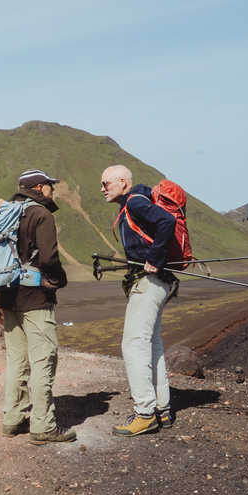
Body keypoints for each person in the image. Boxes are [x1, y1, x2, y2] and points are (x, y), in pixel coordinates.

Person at [0, 169, 74, 444]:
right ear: (39, 188)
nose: (52, 190)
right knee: (43, 359)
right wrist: (57, 280)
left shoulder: (5, 212)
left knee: (16, 360)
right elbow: (49, 257)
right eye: (50, 186)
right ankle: (43, 426)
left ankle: (12, 418)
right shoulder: (41, 214)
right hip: (35, 297)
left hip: (6, 295)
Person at [101, 164, 176, 437]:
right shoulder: (137, 201)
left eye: (106, 183)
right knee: (151, 344)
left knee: (133, 344)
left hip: (149, 283)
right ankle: (162, 409)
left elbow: (167, 222)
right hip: (160, 283)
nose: (102, 189)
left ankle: (144, 413)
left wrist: (154, 259)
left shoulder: (134, 203)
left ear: (123, 181)